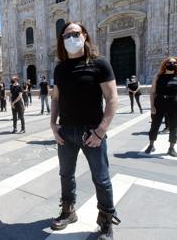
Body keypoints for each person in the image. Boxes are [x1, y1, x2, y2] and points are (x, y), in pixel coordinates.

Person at [50, 22, 120, 239]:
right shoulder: (60, 68)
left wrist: (100, 131)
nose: (71, 37)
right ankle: (68, 211)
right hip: (66, 132)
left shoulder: (99, 63)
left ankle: (106, 220)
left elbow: (112, 99)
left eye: (75, 33)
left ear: (85, 35)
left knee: (101, 178)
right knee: (65, 174)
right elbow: (55, 98)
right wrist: (53, 124)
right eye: (66, 35)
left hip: (92, 132)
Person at [145, 57, 177, 157]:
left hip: (174, 104)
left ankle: (171, 148)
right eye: (170, 62)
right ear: (165, 64)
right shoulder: (158, 77)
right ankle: (151, 145)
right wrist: (152, 106)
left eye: (174, 62)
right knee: (155, 125)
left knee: (174, 127)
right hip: (160, 103)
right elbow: (152, 93)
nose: (172, 64)